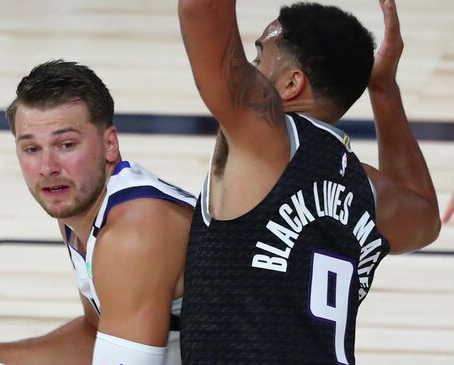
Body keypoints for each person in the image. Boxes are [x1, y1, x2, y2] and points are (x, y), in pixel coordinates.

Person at [0, 60, 196, 365]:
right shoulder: (80, 211)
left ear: (109, 144)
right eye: (31, 149)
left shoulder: (132, 234)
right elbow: (95, 335)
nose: (48, 168)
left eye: (66, 145)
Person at [177, 0, 441, 364]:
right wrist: (383, 88)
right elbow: (426, 217)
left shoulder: (264, 136)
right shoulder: (366, 189)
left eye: (258, 60)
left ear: (290, 83)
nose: (249, 70)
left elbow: (199, 8)